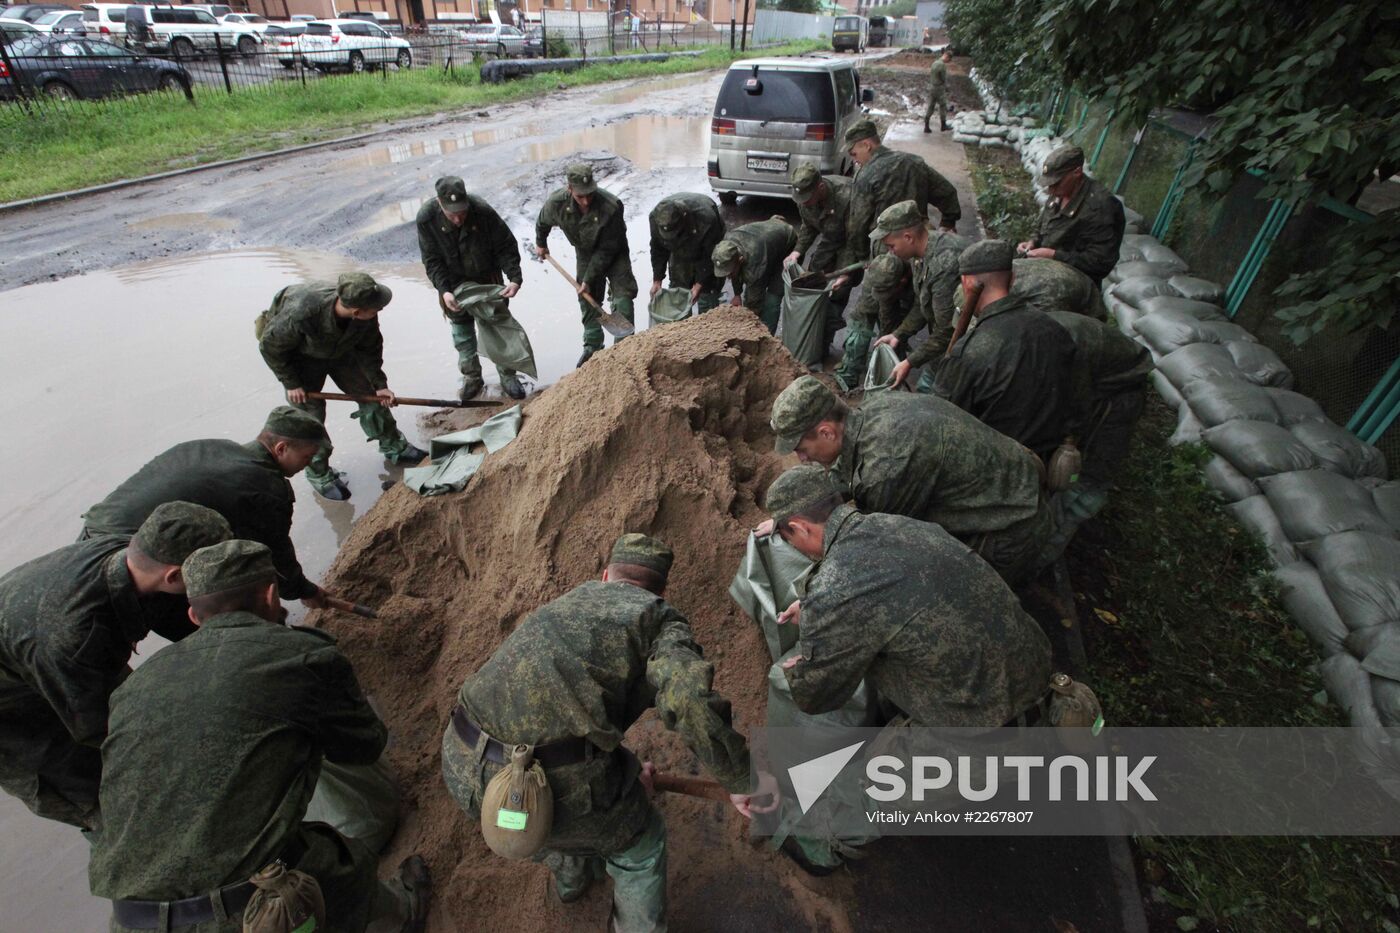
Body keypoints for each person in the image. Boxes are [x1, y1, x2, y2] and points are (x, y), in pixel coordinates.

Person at [88, 539, 431, 933]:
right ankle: (401, 915)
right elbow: (364, 746)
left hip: (130, 918)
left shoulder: (134, 688)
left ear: (194, 616)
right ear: (270, 594)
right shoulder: (301, 655)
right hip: (250, 911)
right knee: (331, 861)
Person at [441, 533, 777, 931]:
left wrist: (628, 780)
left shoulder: (569, 601)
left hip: (462, 765)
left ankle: (571, 879)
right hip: (554, 789)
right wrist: (740, 779)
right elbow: (689, 700)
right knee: (642, 847)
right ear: (660, 592)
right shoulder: (657, 618)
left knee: (546, 823)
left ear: (605, 576)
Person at [762, 465, 1053, 872]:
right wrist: (819, 611)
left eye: (789, 539)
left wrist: (808, 661)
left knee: (861, 794)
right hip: (1032, 676)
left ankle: (820, 847)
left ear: (800, 527)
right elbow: (895, 597)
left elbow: (815, 696)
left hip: (987, 730)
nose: (794, 548)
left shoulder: (837, 584)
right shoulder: (901, 526)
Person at [0, 501, 231, 830]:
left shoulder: (136, 553)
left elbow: (179, 622)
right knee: (101, 794)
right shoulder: (76, 637)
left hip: (34, 647)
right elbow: (102, 726)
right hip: (12, 716)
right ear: (174, 575)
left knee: (150, 713)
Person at [767, 375, 1053, 585]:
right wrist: (795, 509)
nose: (802, 458)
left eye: (801, 449)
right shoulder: (874, 409)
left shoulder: (886, 467)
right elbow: (848, 474)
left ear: (827, 432)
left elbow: (872, 547)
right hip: (1015, 481)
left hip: (1011, 525)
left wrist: (817, 593)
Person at [81, 406, 334, 613]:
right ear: (281, 448)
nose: (309, 463)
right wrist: (304, 590)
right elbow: (275, 554)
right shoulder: (266, 488)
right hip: (133, 557)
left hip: (91, 537)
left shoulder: (216, 447)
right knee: (213, 616)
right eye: (307, 456)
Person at [256, 271, 427, 501]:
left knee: (372, 397)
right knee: (309, 419)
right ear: (356, 311)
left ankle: (395, 447)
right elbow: (269, 347)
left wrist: (380, 385)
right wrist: (291, 383)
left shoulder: (366, 315)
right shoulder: (302, 313)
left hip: (342, 351)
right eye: (375, 309)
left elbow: (371, 348)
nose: (379, 310)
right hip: (302, 358)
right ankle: (320, 475)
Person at [931, 240, 1079, 462]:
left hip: (995, 464)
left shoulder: (968, 352)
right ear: (1012, 278)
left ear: (967, 284)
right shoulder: (1055, 329)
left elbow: (943, 423)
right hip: (1049, 458)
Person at [417, 175, 531, 401]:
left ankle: (508, 376)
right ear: (440, 203)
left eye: (462, 212)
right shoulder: (427, 218)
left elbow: (505, 246)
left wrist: (514, 278)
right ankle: (472, 377)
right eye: (452, 214)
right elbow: (431, 260)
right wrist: (444, 290)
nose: (458, 218)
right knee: (462, 333)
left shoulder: (482, 211)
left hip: (486, 278)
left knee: (498, 327)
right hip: (452, 283)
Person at [535, 163, 638, 367]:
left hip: (614, 251)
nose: (586, 200)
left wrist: (589, 279)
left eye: (589, 194)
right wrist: (541, 243)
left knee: (623, 298)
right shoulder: (556, 204)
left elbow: (607, 249)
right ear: (569, 188)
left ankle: (624, 351)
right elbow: (542, 222)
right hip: (584, 252)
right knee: (587, 298)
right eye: (580, 196)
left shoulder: (611, 206)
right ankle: (592, 346)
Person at [867, 200, 970, 387]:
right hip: (949, 338)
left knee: (930, 389)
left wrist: (910, 361)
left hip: (967, 343)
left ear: (908, 237)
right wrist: (898, 334)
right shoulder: (919, 255)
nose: (890, 252)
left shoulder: (944, 263)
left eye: (891, 246)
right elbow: (923, 303)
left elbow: (948, 329)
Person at [842, 118, 961, 268]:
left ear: (866, 145)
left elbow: (858, 223)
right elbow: (947, 192)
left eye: (854, 154)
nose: (855, 161)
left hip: (888, 250)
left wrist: (863, 256)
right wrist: (947, 224)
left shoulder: (865, 175)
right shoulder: (914, 162)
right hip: (920, 244)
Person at [1016, 144, 1126, 288]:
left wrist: (1054, 256)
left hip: (1073, 286)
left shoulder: (1100, 207)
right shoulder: (1060, 192)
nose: (1051, 189)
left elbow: (1100, 263)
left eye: (1056, 183)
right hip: (1043, 273)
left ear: (1077, 172)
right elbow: (1044, 227)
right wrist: (1032, 243)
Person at [786, 163, 855, 351]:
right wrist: (797, 251)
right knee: (811, 281)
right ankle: (809, 336)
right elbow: (809, 226)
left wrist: (845, 271)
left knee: (838, 291)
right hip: (830, 239)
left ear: (821, 188)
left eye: (807, 199)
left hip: (852, 244)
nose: (804, 203)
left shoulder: (847, 197)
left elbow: (855, 238)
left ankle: (823, 343)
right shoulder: (804, 198)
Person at [832, 253, 911, 390]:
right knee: (859, 327)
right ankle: (849, 375)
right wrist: (847, 274)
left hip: (903, 290)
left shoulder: (915, 271)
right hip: (878, 275)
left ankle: (887, 379)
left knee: (893, 338)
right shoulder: (878, 270)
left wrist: (893, 335)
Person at [712, 216, 798, 334]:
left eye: (729, 272)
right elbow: (734, 271)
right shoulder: (727, 245)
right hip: (767, 240)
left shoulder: (754, 258)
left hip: (787, 246)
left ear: (741, 259)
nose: (727, 277)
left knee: (772, 298)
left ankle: (767, 336)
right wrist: (737, 294)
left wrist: (747, 329)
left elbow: (754, 300)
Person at [648, 192, 726, 315]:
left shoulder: (707, 219)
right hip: (679, 248)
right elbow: (658, 248)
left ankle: (708, 317)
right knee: (679, 289)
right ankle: (680, 319)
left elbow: (710, 255)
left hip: (705, 243)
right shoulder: (655, 219)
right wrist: (657, 279)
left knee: (708, 289)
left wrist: (699, 284)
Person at [922, 47, 951, 133]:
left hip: (932, 87)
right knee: (943, 105)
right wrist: (947, 88)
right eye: (948, 60)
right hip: (939, 88)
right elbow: (943, 78)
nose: (948, 62)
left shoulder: (934, 63)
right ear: (947, 57)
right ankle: (943, 125)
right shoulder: (942, 65)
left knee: (931, 106)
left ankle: (926, 126)